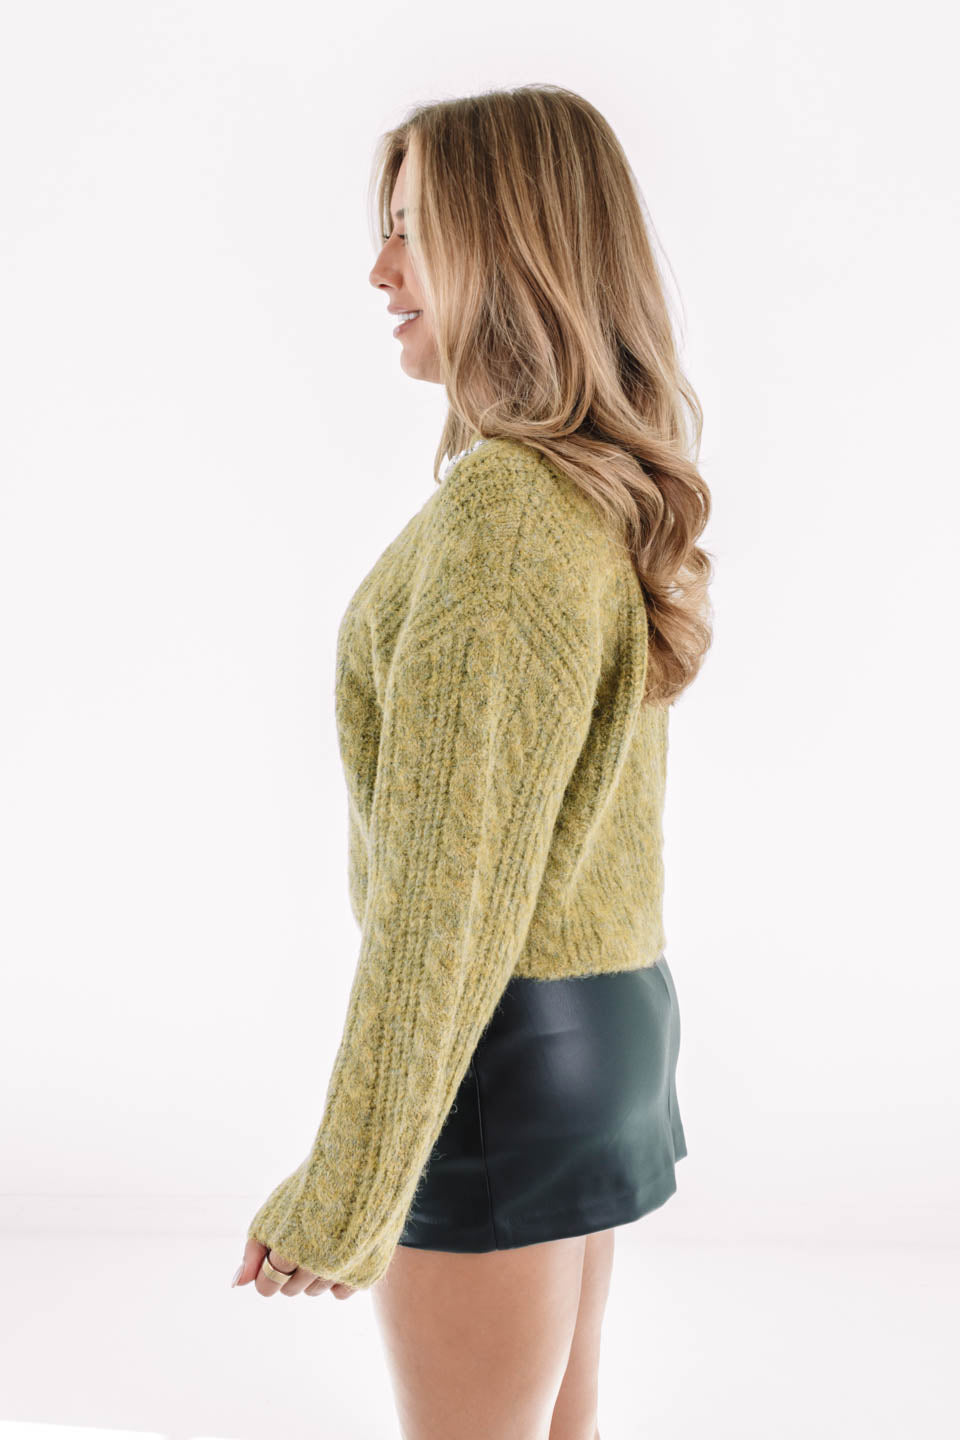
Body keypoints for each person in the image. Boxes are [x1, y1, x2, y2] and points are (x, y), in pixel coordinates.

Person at [232, 84, 713, 1440]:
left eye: (413, 231)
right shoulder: (587, 488)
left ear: (512, 249)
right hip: (604, 1031)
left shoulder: (504, 518)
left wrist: (348, 1183)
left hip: (496, 1060)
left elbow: (445, 898)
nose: (380, 271)